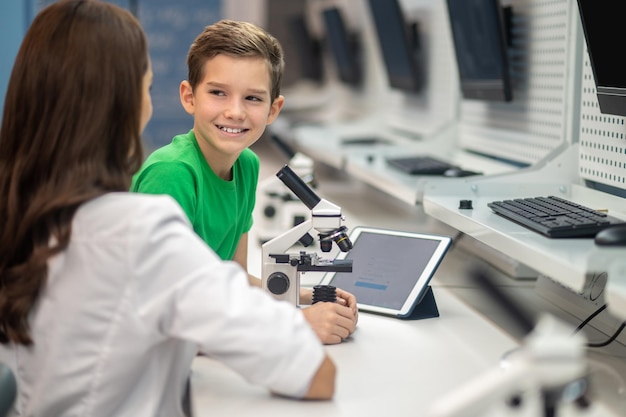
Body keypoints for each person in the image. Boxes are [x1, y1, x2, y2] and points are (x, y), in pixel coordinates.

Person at [0, 1, 335, 416]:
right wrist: (300, 322)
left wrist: (299, 297)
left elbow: (225, 282)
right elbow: (313, 372)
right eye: (146, 85)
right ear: (124, 107)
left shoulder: (22, 209)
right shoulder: (141, 230)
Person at [131, 19, 358, 345]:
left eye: (252, 98)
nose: (235, 112)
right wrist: (296, 324)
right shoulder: (173, 175)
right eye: (218, 93)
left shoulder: (247, 165)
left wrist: (308, 296)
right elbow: (167, 310)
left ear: (273, 109)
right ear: (189, 97)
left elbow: (233, 279)